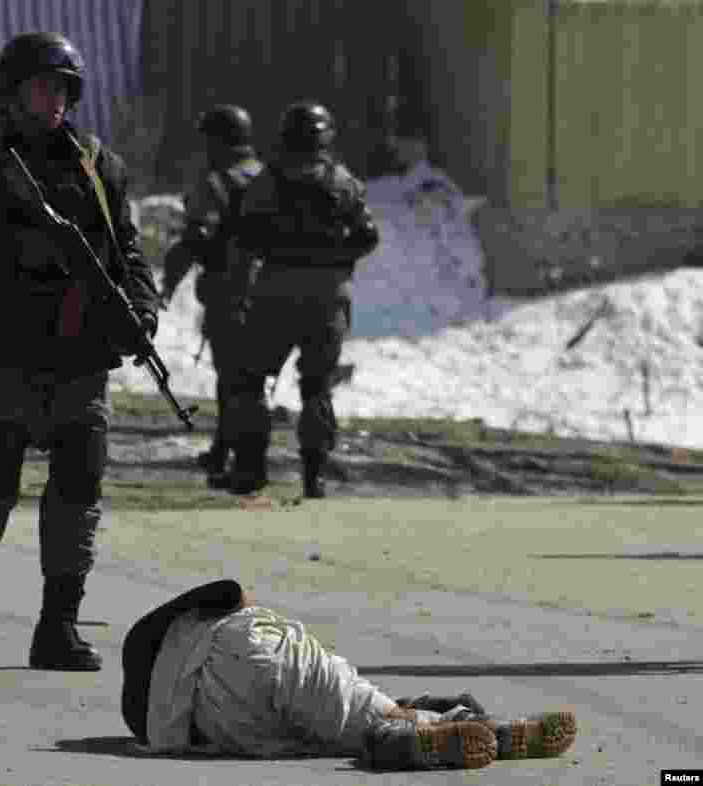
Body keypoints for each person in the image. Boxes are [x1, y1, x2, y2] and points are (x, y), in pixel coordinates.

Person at [0, 32, 159, 671]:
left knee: (80, 489)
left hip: (82, 352)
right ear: (12, 93)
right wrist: (8, 248)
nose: (54, 99)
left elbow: (125, 252)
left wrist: (142, 309)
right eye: (42, 85)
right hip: (8, 351)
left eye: (63, 88)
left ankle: (58, 627)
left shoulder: (99, 165)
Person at [121, 579, 578, 770]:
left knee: (336, 727)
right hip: (240, 662)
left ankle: (407, 730)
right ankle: (481, 731)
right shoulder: (211, 629)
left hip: (207, 729)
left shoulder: (149, 704)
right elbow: (236, 594)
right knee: (343, 699)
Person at [224, 102, 380, 498]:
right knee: (317, 386)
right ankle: (315, 475)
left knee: (249, 381)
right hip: (328, 297)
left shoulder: (267, 181)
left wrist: (240, 290)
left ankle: (250, 470)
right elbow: (368, 236)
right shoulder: (342, 181)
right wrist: (337, 260)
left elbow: (245, 239)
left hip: (275, 291)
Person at [160, 105, 263, 488]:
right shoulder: (268, 176)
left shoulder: (217, 182)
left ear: (218, 140)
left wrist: (169, 282)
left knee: (232, 377)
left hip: (230, 290)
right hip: (271, 290)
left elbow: (195, 238)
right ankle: (229, 448)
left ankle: (236, 457)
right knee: (248, 377)